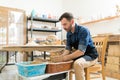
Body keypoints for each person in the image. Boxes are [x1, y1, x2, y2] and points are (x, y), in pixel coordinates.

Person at [51, 12, 98, 80]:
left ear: (72, 21)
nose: (63, 27)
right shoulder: (69, 33)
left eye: (65, 24)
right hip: (80, 56)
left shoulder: (83, 30)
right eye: (62, 25)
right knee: (62, 61)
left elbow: (81, 52)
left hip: (91, 56)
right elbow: (68, 49)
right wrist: (61, 57)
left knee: (77, 64)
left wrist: (65, 58)